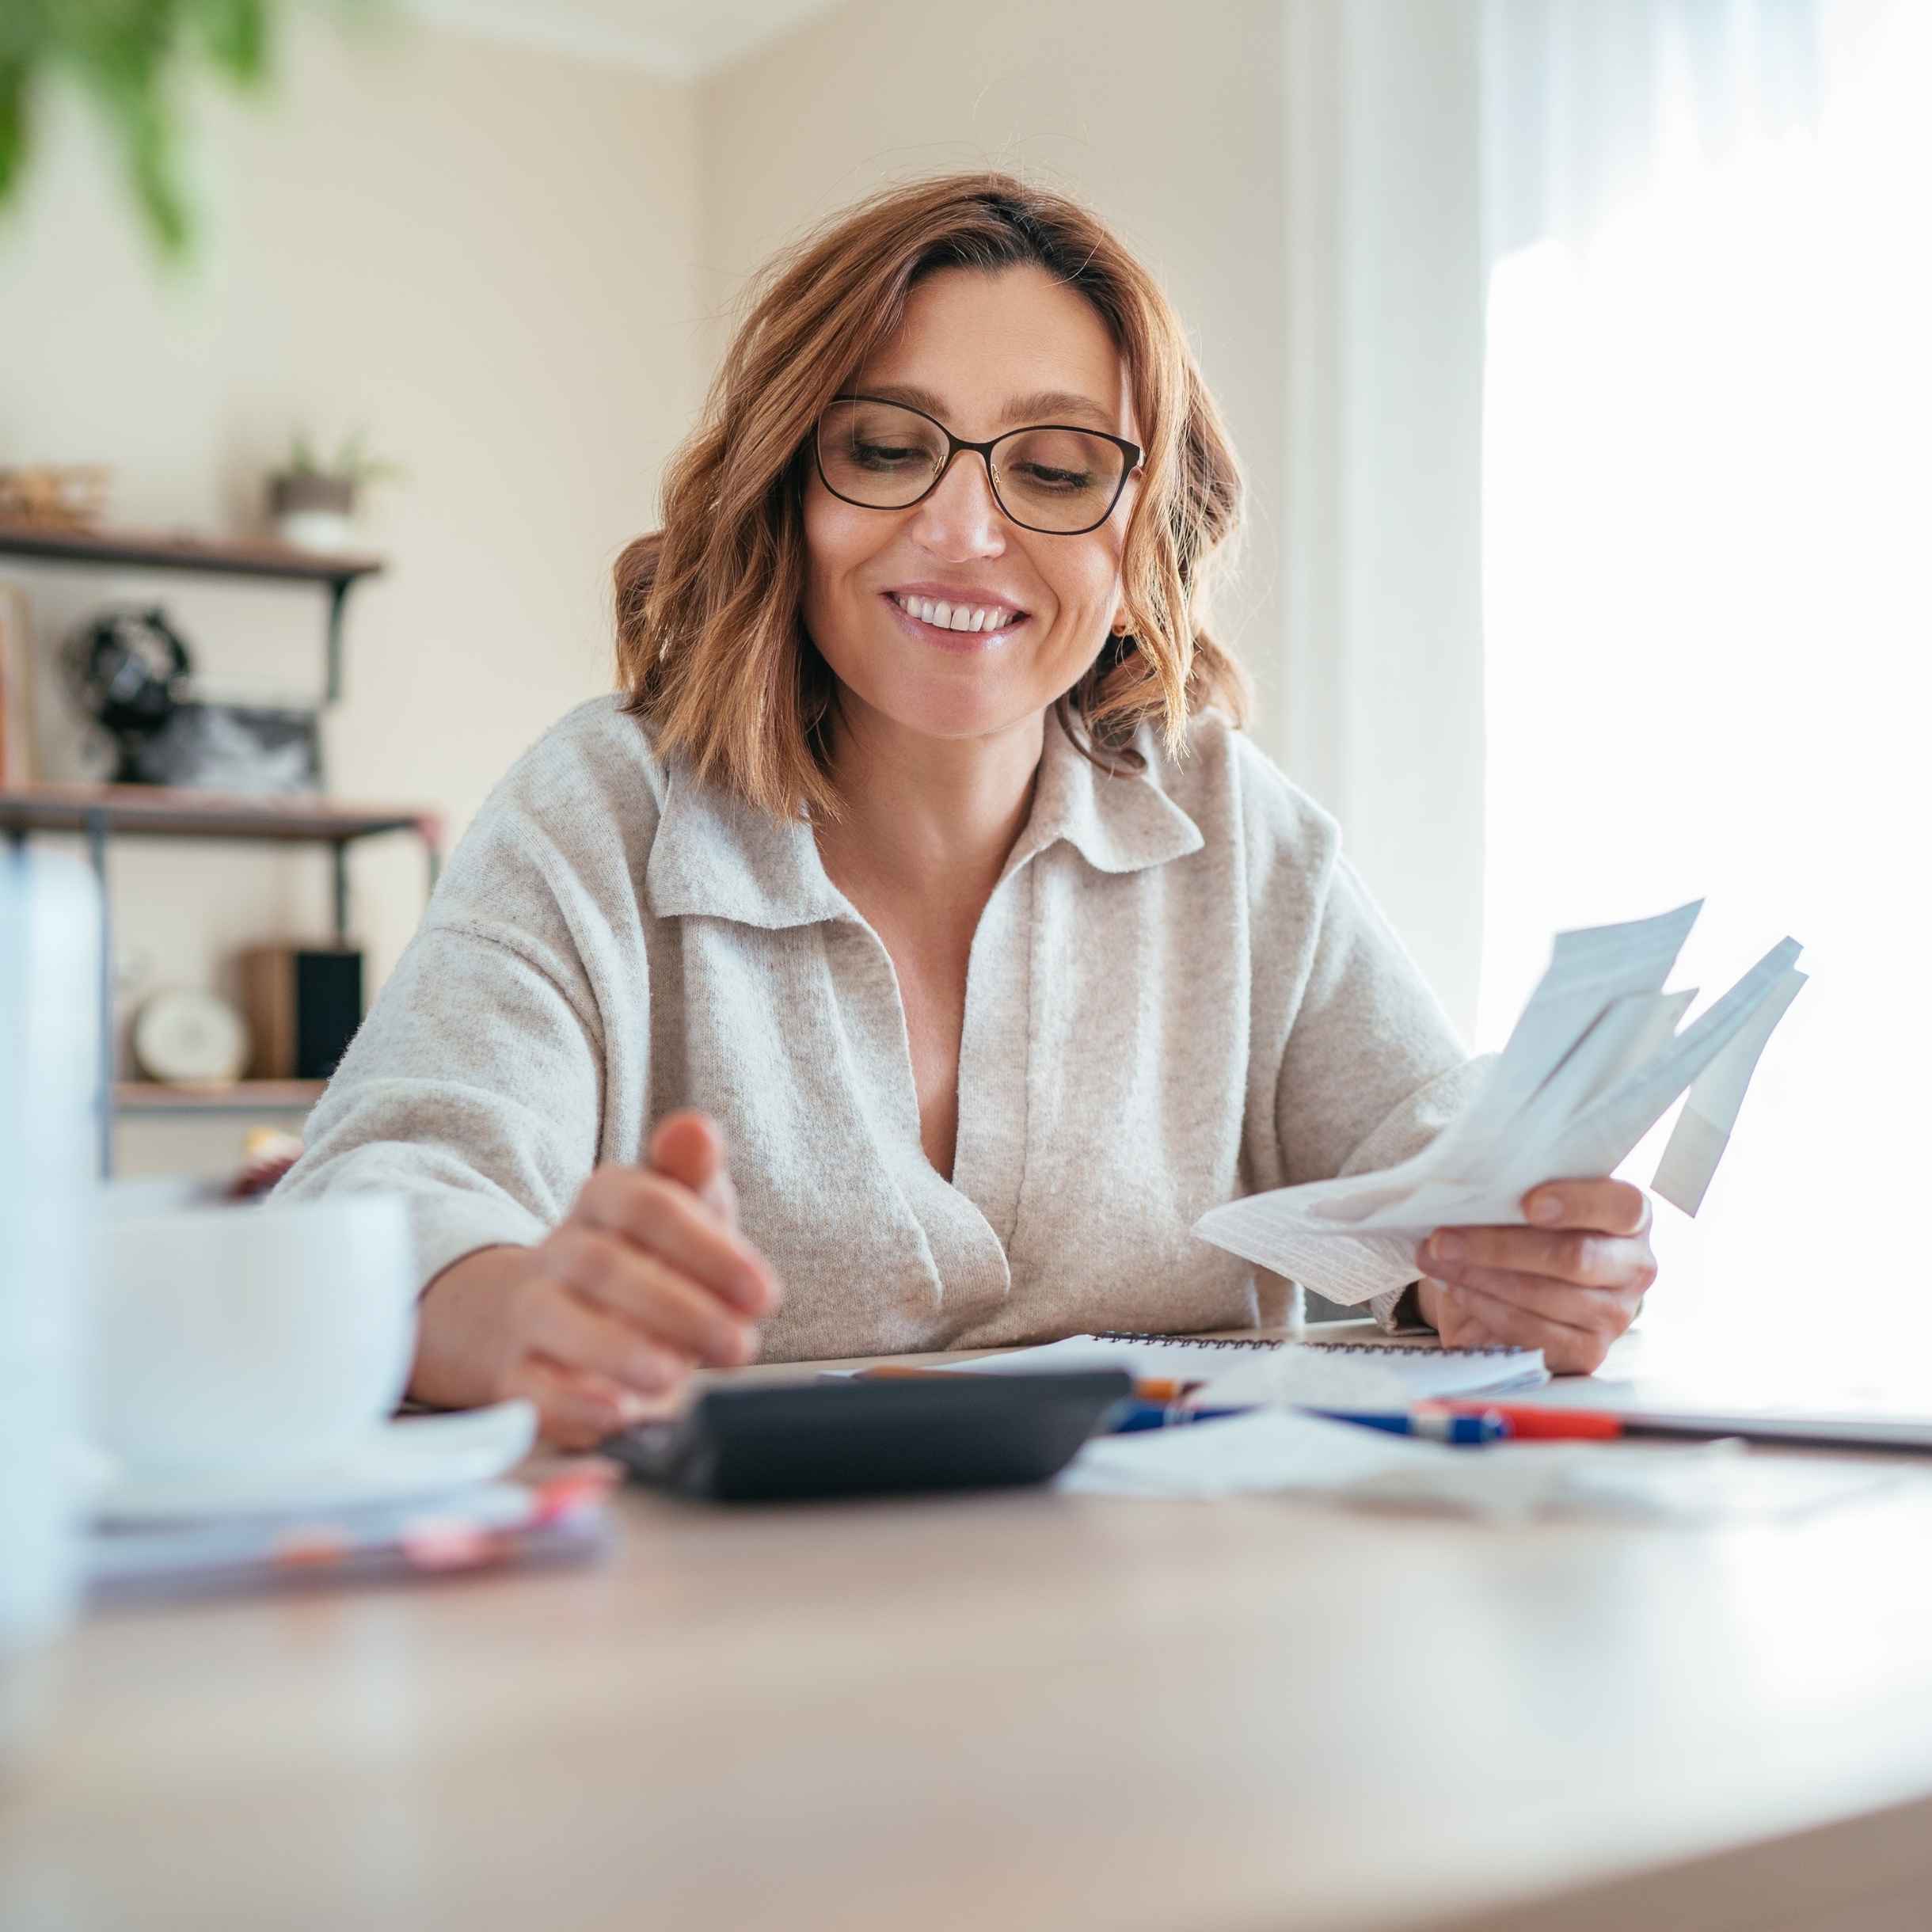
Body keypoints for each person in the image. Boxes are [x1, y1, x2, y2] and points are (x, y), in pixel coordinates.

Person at [273, 172, 1656, 1448]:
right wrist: (516, 1310)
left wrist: (1513, 1278)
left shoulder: (1233, 824)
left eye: (1054, 472)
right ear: (787, 491)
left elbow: (1435, 1178)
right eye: (885, 449)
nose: (963, 530)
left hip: (1175, 1638)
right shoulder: (603, 811)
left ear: (1141, 539)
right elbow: (378, 1198)